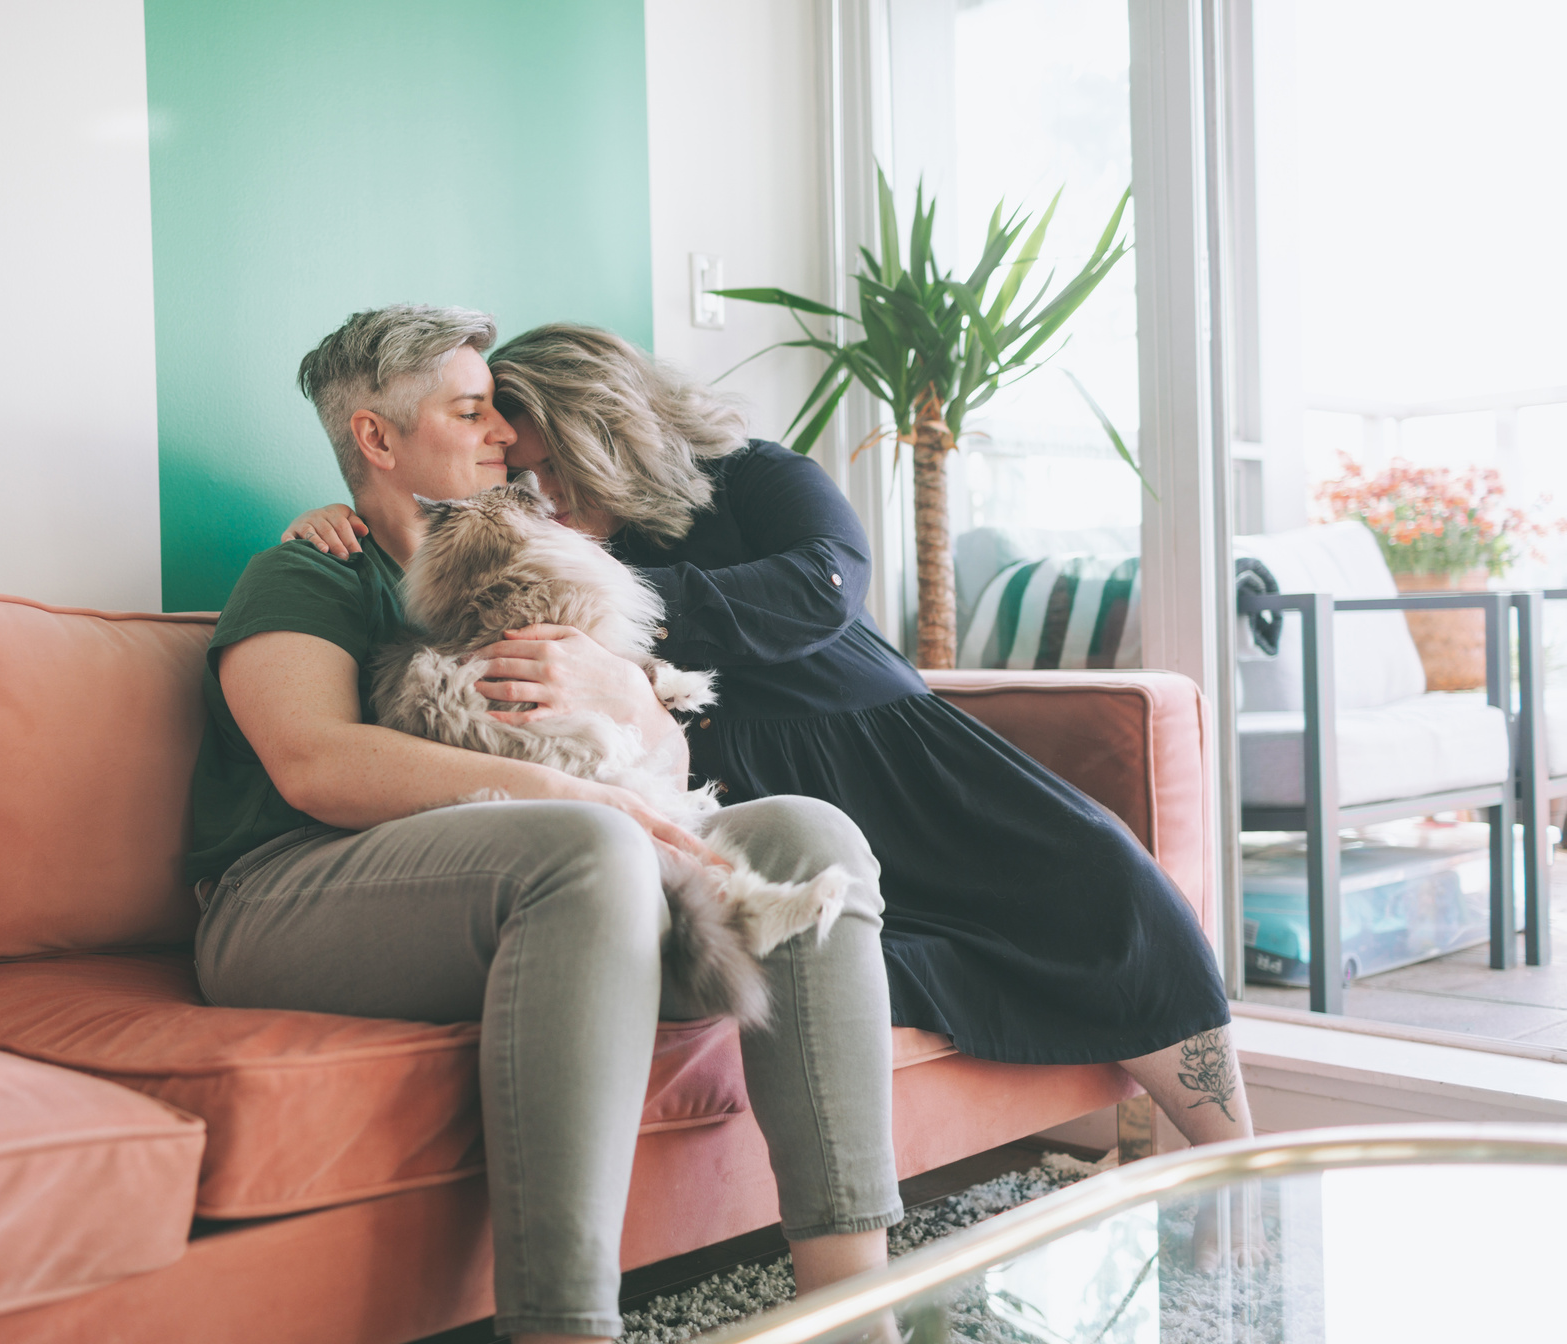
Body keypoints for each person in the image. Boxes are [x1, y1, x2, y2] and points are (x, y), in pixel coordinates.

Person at [283, 322, 1255, 1150]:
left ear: (604, 431)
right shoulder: (546, 535)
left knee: (1112, 883)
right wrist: (347, 517)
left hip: (887, 748)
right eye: (519, 471)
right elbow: (440, 560)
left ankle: (1234, 1168)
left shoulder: (752, 478)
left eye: (548, 466)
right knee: (837, 946)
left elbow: (825, 587)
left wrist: (624, 612)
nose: (540, 494)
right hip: (728, 785)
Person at [195, 305, 902, 1344]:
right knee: (590, 846)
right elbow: (317, 765)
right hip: (287, 898)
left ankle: (851, 1314)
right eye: (473, 412)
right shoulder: (308, 573)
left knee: (812, 837)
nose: (505, 438)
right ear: (377, 441)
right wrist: (588, 802)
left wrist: (632, 719)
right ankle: (566, 1328)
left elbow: (651, 762)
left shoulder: (541, 575)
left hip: (523, 876)